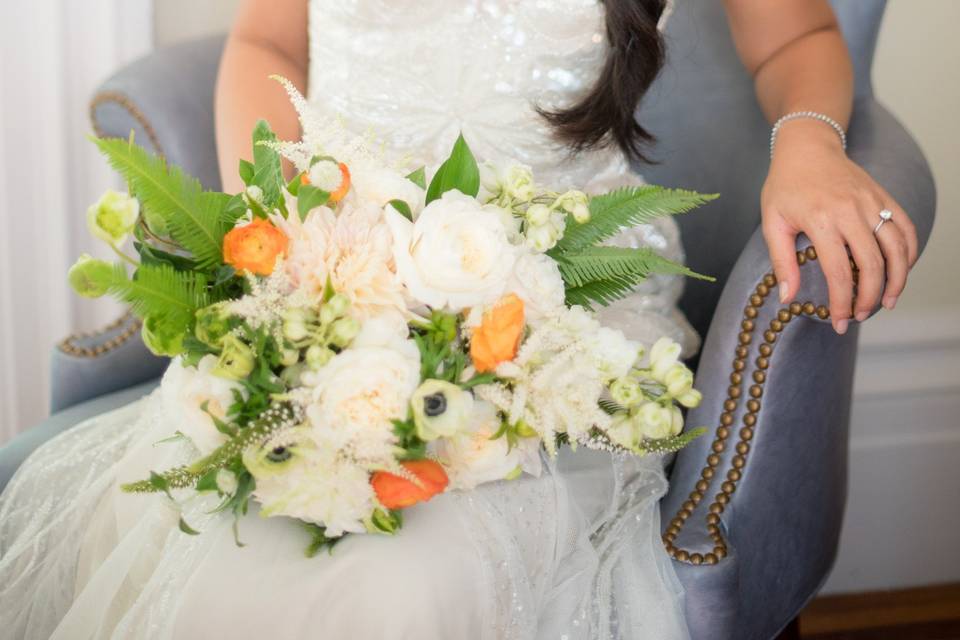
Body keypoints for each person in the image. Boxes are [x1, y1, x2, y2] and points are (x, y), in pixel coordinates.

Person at [0, 1, 919, 638]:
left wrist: (808, 140)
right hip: (345, 269)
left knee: (402, 590)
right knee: (222, 545)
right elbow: (264, 43)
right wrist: (286, 216)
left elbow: (794, 31)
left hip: (557, 312)